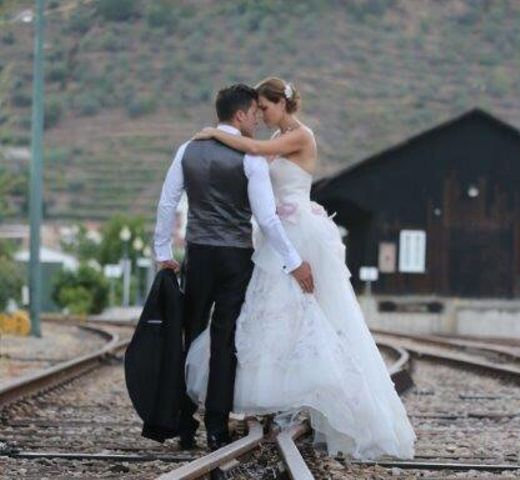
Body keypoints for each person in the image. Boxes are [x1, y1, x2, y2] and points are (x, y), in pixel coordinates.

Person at [187, 77, 416, 459]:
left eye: (265, 106)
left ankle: (324, 399)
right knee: (271, 316)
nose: (260, 113)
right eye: (256, 108)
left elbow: (255, 148)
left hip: (299, 235)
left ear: (282, 104)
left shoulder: (298, 135)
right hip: (277, 236)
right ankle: (277, 399)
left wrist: (214, 132)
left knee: (308, 314)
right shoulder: (281, 137)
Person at [153, 84, 314, 451]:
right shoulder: (251, 159)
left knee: (191, 332)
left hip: (198, 253)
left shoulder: (187, 149)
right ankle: (215, 428)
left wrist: (163, 251)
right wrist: (294, 261)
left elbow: (167, 203)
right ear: (240, 115)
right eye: (253, 114)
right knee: (225, 340)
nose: (257, 120)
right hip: (236, 257)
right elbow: (267, 219)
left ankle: (183, 424)